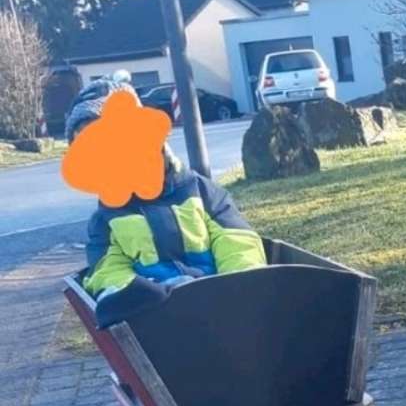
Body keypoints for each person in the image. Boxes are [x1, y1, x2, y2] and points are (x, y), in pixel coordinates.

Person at [64, 78, 265, 319]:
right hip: (157, 313)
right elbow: (108, 268)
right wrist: (137, 291)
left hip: (219, 298)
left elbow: (236, 240)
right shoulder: (107, 218)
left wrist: (239, 283)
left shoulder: (199, 191)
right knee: (112, 291)